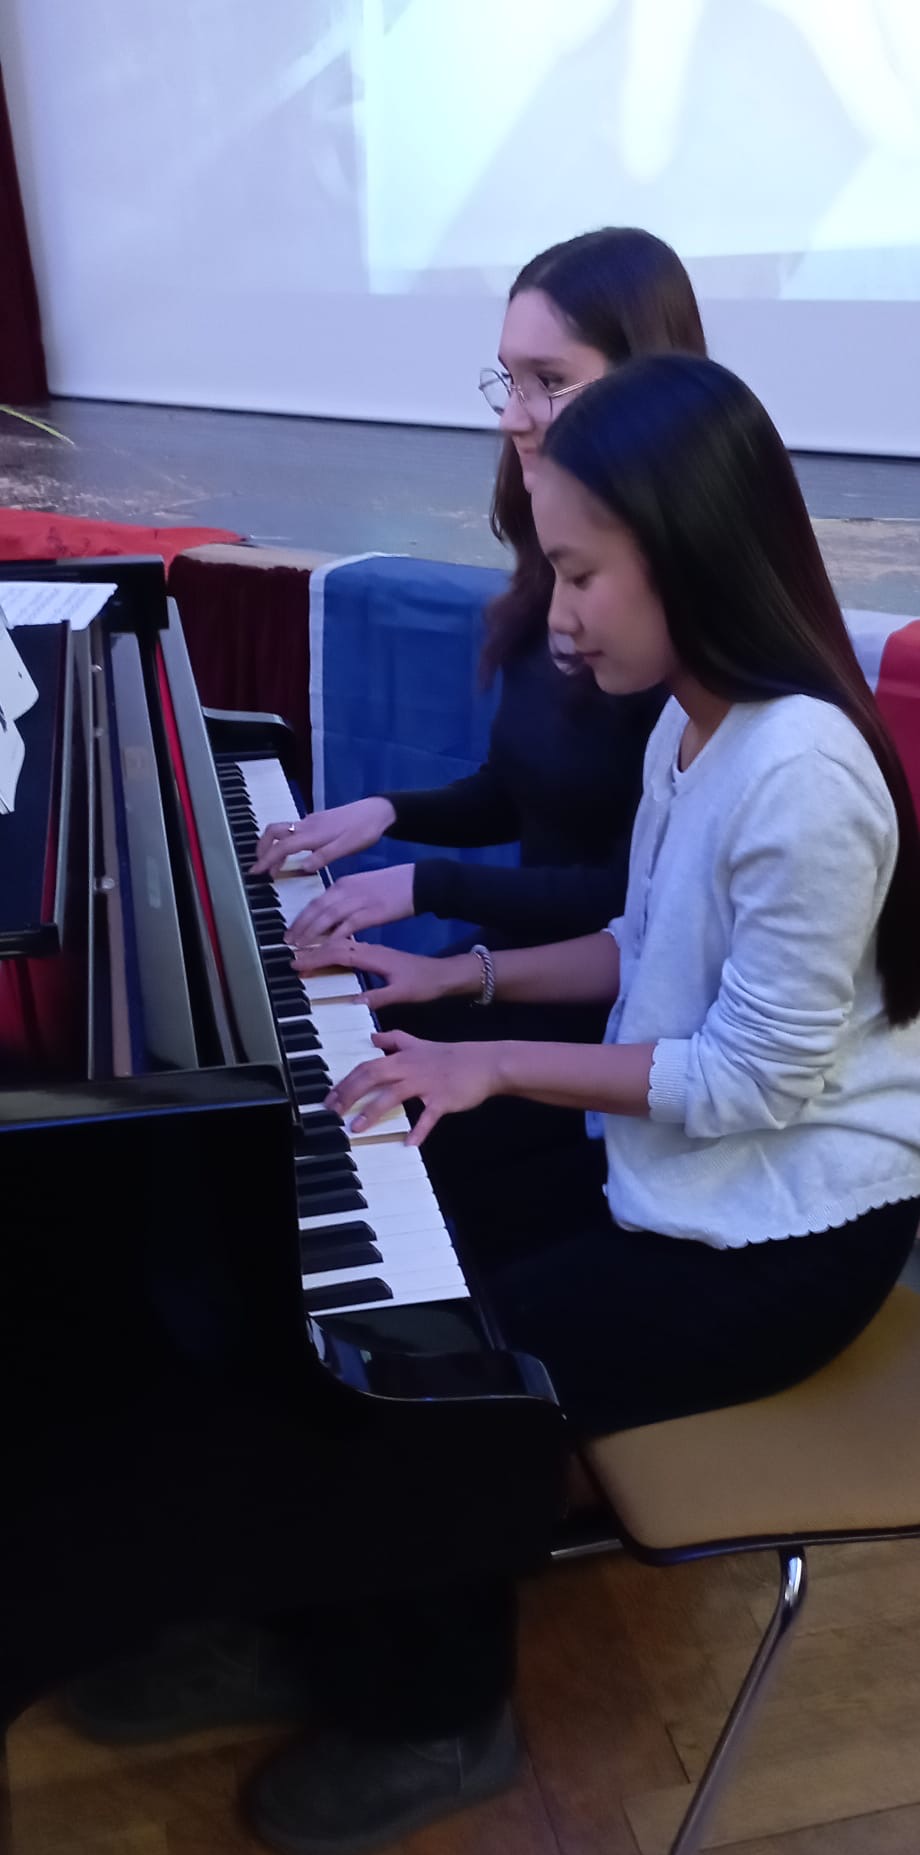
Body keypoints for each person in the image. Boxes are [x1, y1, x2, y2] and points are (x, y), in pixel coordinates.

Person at [69, 355, 920, 1855]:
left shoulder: (804, 773)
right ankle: (317, 1608)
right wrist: (454, 985)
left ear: (693, 553)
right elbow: (640, 946)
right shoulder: (693, 724)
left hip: (789, 1227)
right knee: (362, 1236)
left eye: (582, 573)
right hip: (685, 1147)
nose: (559, 611)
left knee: (452, 1370)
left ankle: (441, 1714)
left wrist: (500, 1063)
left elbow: (751, 1081)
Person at [253, 226, 708, 1248]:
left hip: (606, 1014)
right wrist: (385, 812)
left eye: (548, 380)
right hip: (534, 969)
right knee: (315, 1070)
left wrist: (426, 888)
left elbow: (636, 902)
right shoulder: (560, 544)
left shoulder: (665, 610)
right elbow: (522, 785)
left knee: (350, 1141)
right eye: (506, 379)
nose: (512, 415)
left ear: (645, 384)